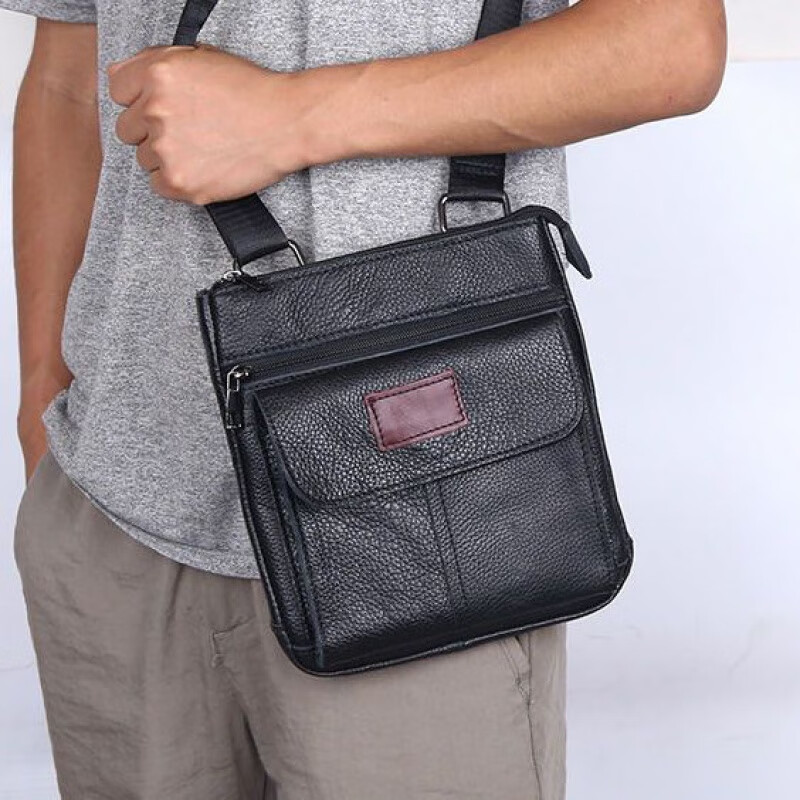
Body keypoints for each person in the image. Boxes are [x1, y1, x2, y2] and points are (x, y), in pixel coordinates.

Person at [3, 0, 726, 797]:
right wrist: (40, 388)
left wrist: (290, 118)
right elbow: (66, 79)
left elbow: (671, 42)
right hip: (115, 514)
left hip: (433, 532)